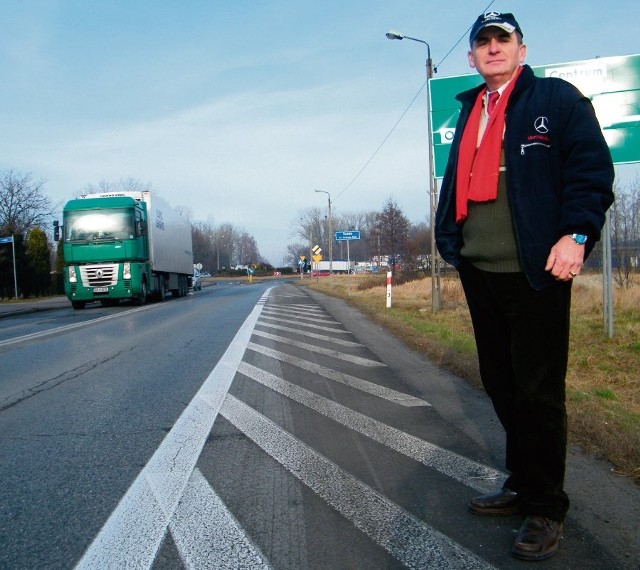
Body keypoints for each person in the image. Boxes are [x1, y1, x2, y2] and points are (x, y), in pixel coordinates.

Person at [435, 11, 614, 562]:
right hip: (480, 270)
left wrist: (576, 234)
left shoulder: (556, 101)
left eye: (501, 40)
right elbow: (459, 184)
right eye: (482, 42)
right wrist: (451, 243)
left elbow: (591, 173)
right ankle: (523, 481)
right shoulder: (469, 110)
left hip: (535, 272)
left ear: (521, 48)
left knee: (538, 394)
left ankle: (545, 506)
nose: (492, 49)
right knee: (502, 384)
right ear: (471, 57)